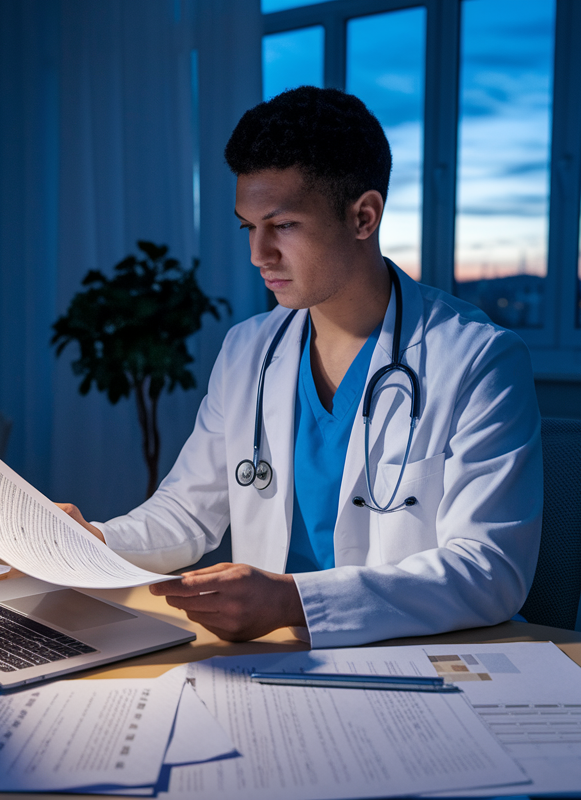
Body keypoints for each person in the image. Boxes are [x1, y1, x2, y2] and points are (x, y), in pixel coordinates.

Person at [59, 86, 542, 648]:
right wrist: (91, 539)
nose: (258, 254)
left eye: (282, 226)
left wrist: (292, 601)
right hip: (276, 659)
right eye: (248, 227)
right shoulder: (247, 351)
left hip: (419, 660)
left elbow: (490, 571)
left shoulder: (477, 359)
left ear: (364, 216)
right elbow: (186, 514)